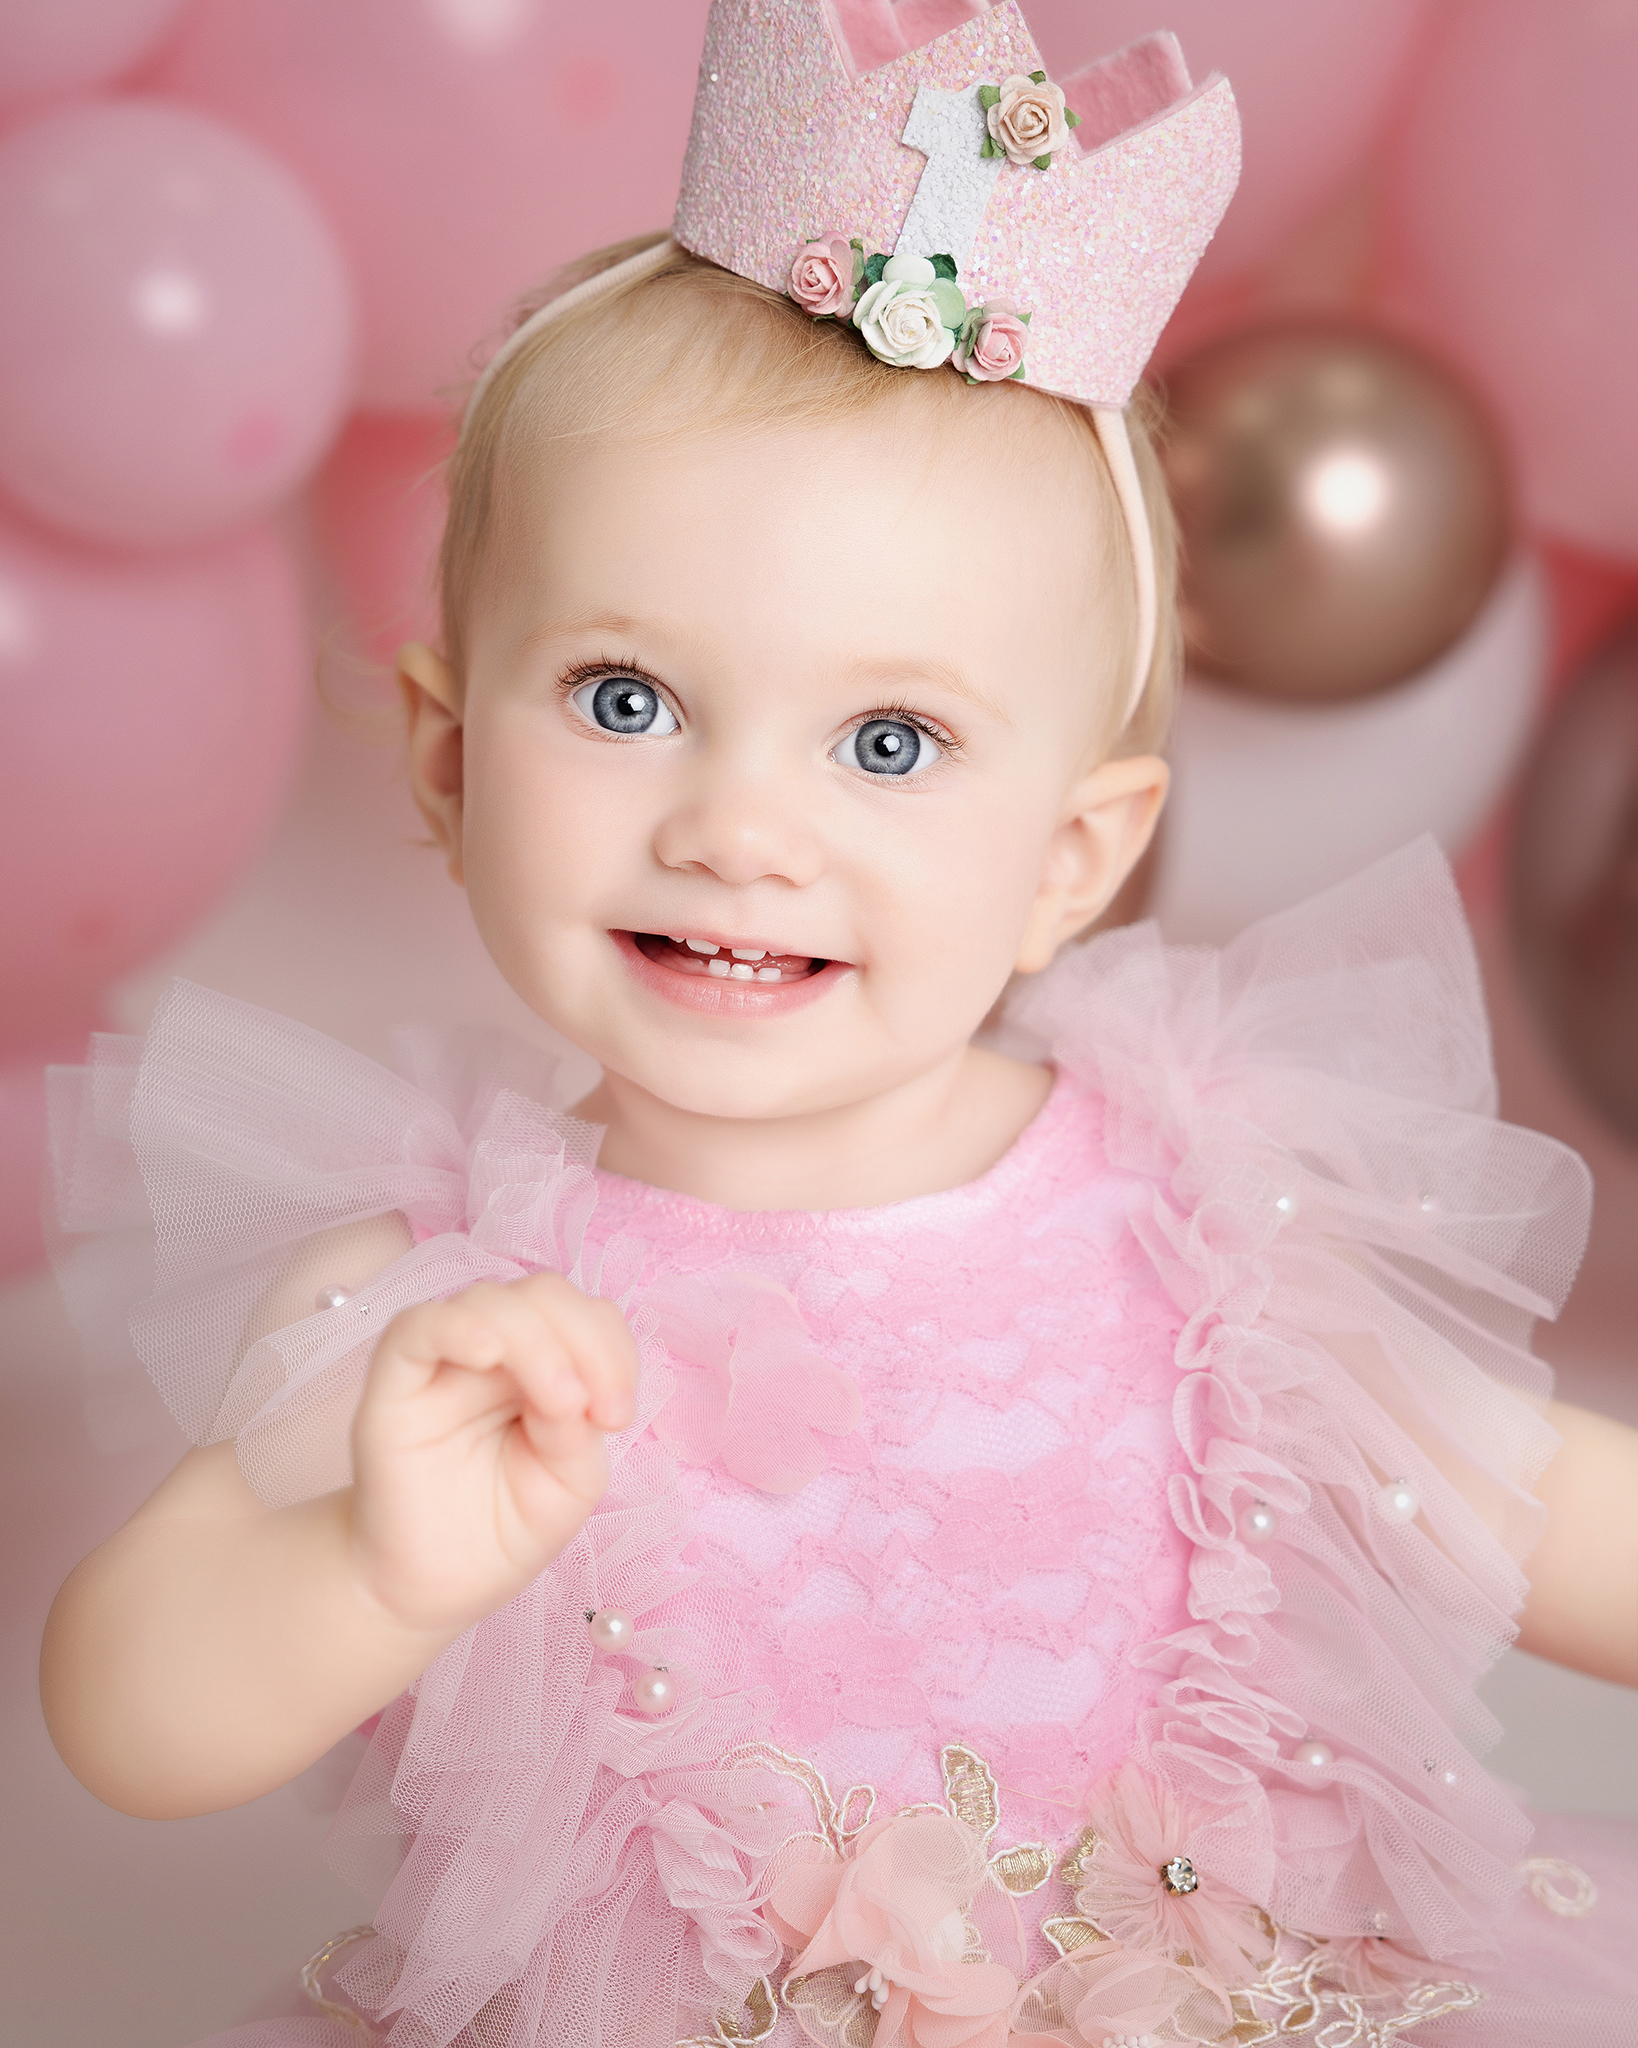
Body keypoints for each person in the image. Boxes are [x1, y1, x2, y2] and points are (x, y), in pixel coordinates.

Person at [37, 6, 1638, 2046]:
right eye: (627, 699)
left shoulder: (1203, 1233)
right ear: (446, 754)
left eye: (888, 741)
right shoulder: (437, 1295)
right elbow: (123, 1705)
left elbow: (1539, 1504)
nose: (739, 828)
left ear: (1074, 854)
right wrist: (370, 1557)